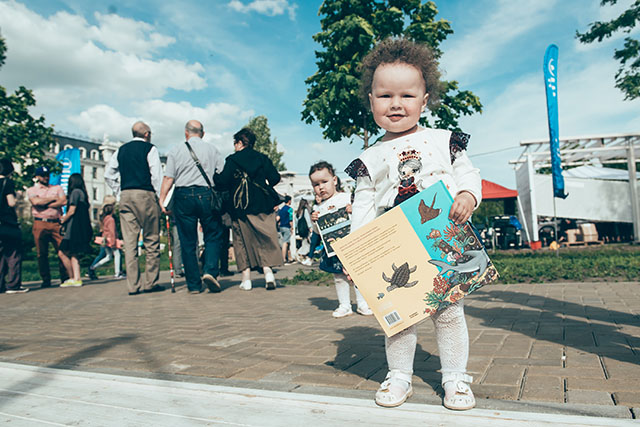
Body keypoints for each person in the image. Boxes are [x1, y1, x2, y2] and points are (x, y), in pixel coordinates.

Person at [344, 39, 482, 411]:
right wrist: (355, 253)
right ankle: (399, 375)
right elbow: (363, 206)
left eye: (407, 95)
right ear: (371, 101)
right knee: (400, 317)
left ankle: (455, 377)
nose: (396, 104)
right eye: (385, 95)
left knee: (448, 311)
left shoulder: (443, 141)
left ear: (424, 100)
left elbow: (468, 174)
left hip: (440, 235)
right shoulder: (370, 157)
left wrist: (467, 195)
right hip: (394, 242)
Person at [159, 120, 225, 294]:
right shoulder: (212, 149)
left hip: (183, 195)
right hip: (207, 194)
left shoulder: (176, 150)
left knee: (187, 241)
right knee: (212, 235)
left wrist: (162, 199)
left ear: (186, 133)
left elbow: (169, 178)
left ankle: (194, 285)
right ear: (203, 133)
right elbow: (221, 173)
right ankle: (210, 271)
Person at [214, 128, 283, 291]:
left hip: (240, 206)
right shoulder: (262, 158)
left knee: (241, 241)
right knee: (264, 238)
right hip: (263, 204)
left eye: (235, 143)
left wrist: (215, 176)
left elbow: (222, 182)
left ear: (240, 143)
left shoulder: (232, 160)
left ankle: (246, 280)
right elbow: (275, 178)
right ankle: (268, 273)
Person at [105, 121, 163, 295]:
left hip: (126, 195)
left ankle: (133, 285)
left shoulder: (120, 150)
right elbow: (156, 176)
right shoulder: (150, 149)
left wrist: (118, 192)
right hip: (145, 195)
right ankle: (150, 282)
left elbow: (109, 174)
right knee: (151, 240)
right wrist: (160, 199)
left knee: (130, 243)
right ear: (146, 134)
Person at [309, 161, 372, 318]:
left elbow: (362, 218)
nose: (321, 187)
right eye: (316, 184)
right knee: (339, 277)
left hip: (353, 245)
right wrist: (314, 221)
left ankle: (363, 303)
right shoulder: (318, 208)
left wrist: (353, 210)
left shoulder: (347, 198)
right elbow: (318, 232)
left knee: (358, 275)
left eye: (324, 182)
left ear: (334, 180)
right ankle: (344, 305)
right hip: (334, 249)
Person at [26, 166, 72, 288]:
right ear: (37, 177)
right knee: (42, 253)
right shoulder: (32, 190)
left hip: (56, 222)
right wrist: (53, 199)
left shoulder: (57, 188)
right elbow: (35, 202)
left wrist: (44, 203)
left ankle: (65, 277)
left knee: (62, 250)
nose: (46, 178)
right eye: (43, 176)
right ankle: (46, 279)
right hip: (40, 222)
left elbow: (63, 201)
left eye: (47, 175)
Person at [59, 173, 93, 287]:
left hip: (73, 228)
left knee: (63, 252)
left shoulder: (74, 193)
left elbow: (72, 210)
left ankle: (73, 277)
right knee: (74, 253)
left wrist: (63, 220)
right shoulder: (83, 194)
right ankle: (76, 277)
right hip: (81, 227)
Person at [0, 158, 26, 293]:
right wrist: (18, 197)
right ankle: (13, 285)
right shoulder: (7, 182)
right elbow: (11, 202)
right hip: (7, 223)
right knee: (13, 253)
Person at [88, 197, 123, 280]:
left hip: (105, 239)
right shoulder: (111, 220)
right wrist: (114, 242)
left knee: (108, 256)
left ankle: (93, 267)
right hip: (111, 240)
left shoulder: (104, 218)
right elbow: (112, 231)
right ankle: (117, 273)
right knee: (117, 255)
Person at [277, 195, 294, 264]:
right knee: (285, 242)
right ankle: (283, 258)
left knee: (287, 242)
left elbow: (278, 218)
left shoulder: (281, 209)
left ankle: (289, 257)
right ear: (289, 201)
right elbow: (290, 219)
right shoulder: (290, 209)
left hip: (281, 227)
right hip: (287, 226)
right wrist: (292, 227)